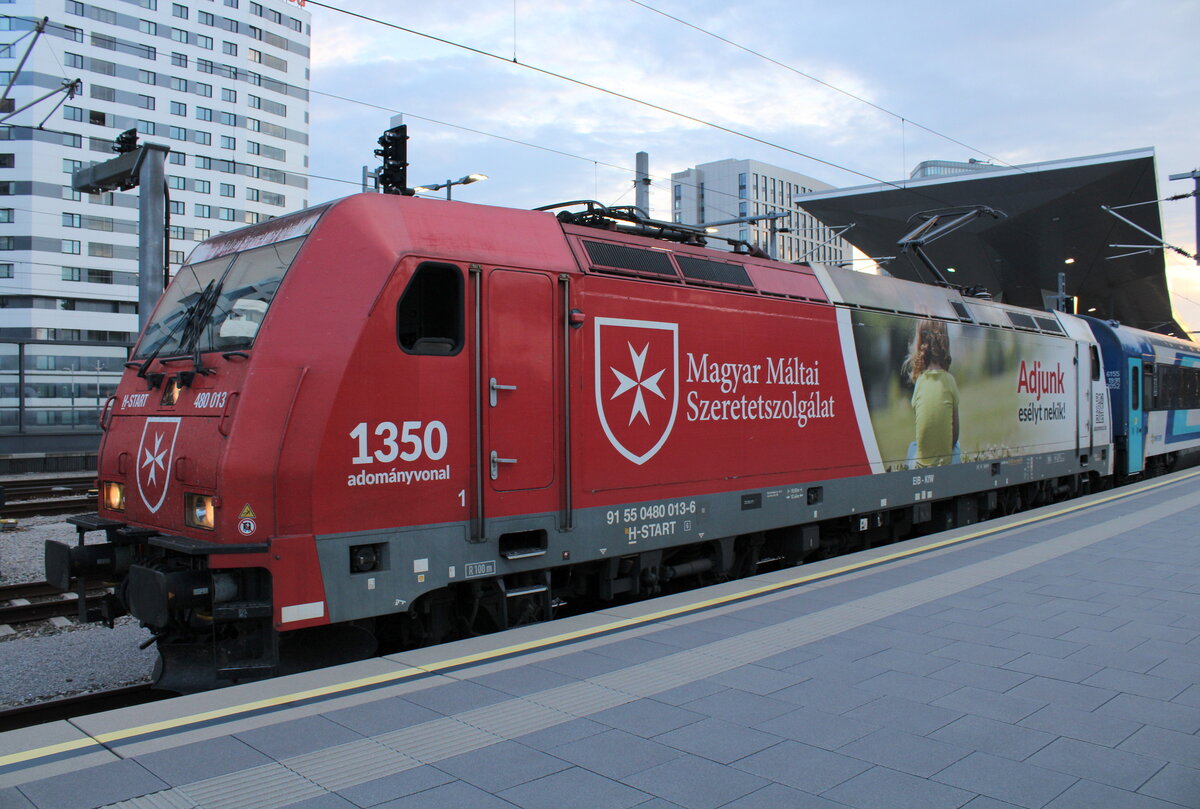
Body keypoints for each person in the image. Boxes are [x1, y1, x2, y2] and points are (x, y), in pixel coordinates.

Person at [904, 319, 959, 467]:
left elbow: (924, 430)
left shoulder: (920, 382)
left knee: (912, 447)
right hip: (945, 463)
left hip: (920, 465)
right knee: (957, 447)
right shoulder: (950, 381)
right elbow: (955, 435)